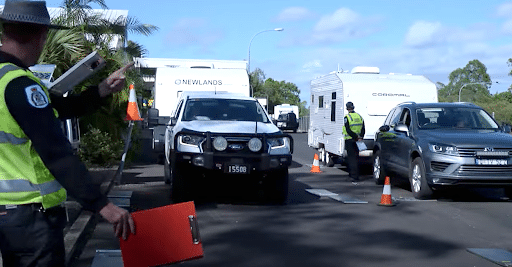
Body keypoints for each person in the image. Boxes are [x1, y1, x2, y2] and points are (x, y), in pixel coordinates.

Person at [0, 1, 135, 266]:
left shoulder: (7, 79)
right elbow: (56, 152)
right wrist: (101, 205)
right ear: (40, 36)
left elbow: (58, 108)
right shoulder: (20, 84)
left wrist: (102, 89)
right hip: (31, 218)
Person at [343, 102, 365, 182]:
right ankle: (356, 175)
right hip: (358, 140)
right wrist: (360, 137)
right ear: (353, 107)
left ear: (347, 108)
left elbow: (348, 130)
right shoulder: (359, 116)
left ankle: (353, 176)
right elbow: (363, 128)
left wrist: (355, 137)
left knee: (351, 159)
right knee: (356, 158)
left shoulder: (347, 117)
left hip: (350, 140)